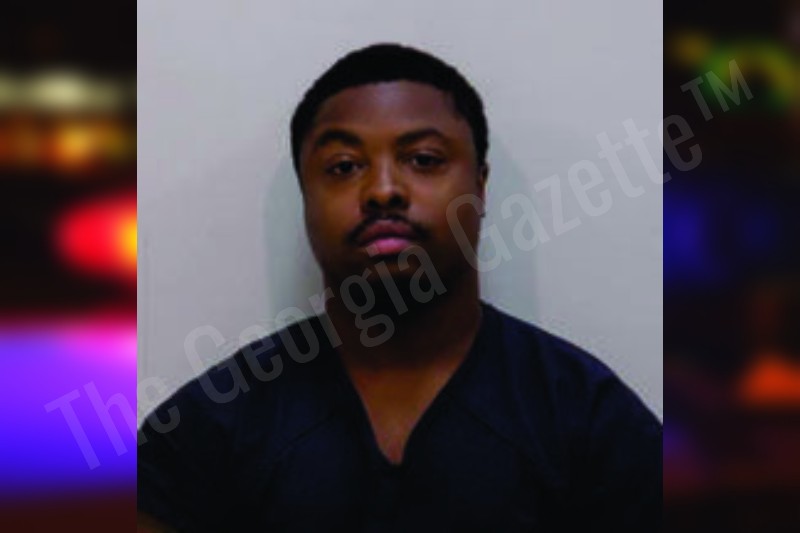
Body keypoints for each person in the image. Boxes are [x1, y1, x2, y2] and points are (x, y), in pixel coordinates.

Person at [137, 43, 661, 532]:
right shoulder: (203, 432)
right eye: (344, 166)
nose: (383, 190)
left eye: (424, 159)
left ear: (480, 186)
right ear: (306, 197)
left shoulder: (592, 422)